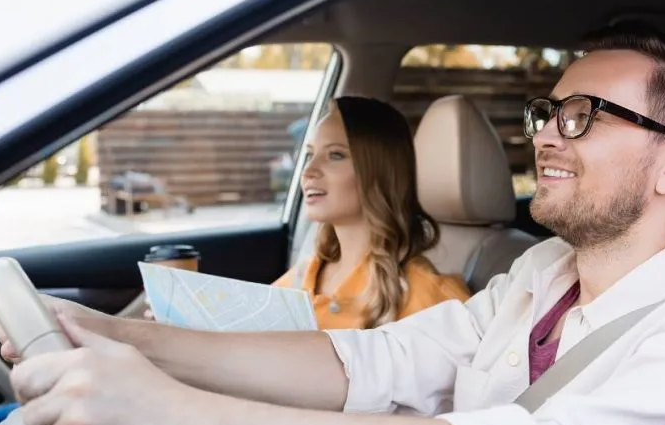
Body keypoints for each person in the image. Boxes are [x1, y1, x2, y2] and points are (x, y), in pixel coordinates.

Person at [0, 26, 665, 425]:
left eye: (583, 118)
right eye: (546, 111)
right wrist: (124, 340)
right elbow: (371, 361)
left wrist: (186, 424)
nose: (544, 136)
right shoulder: (538, 276)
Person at [139, 96, 471, 328]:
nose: (309, 170)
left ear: (379, 172)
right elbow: (245, 338)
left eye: (336, 155)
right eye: (310, 154)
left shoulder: (431, 297)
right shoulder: (309, 272)